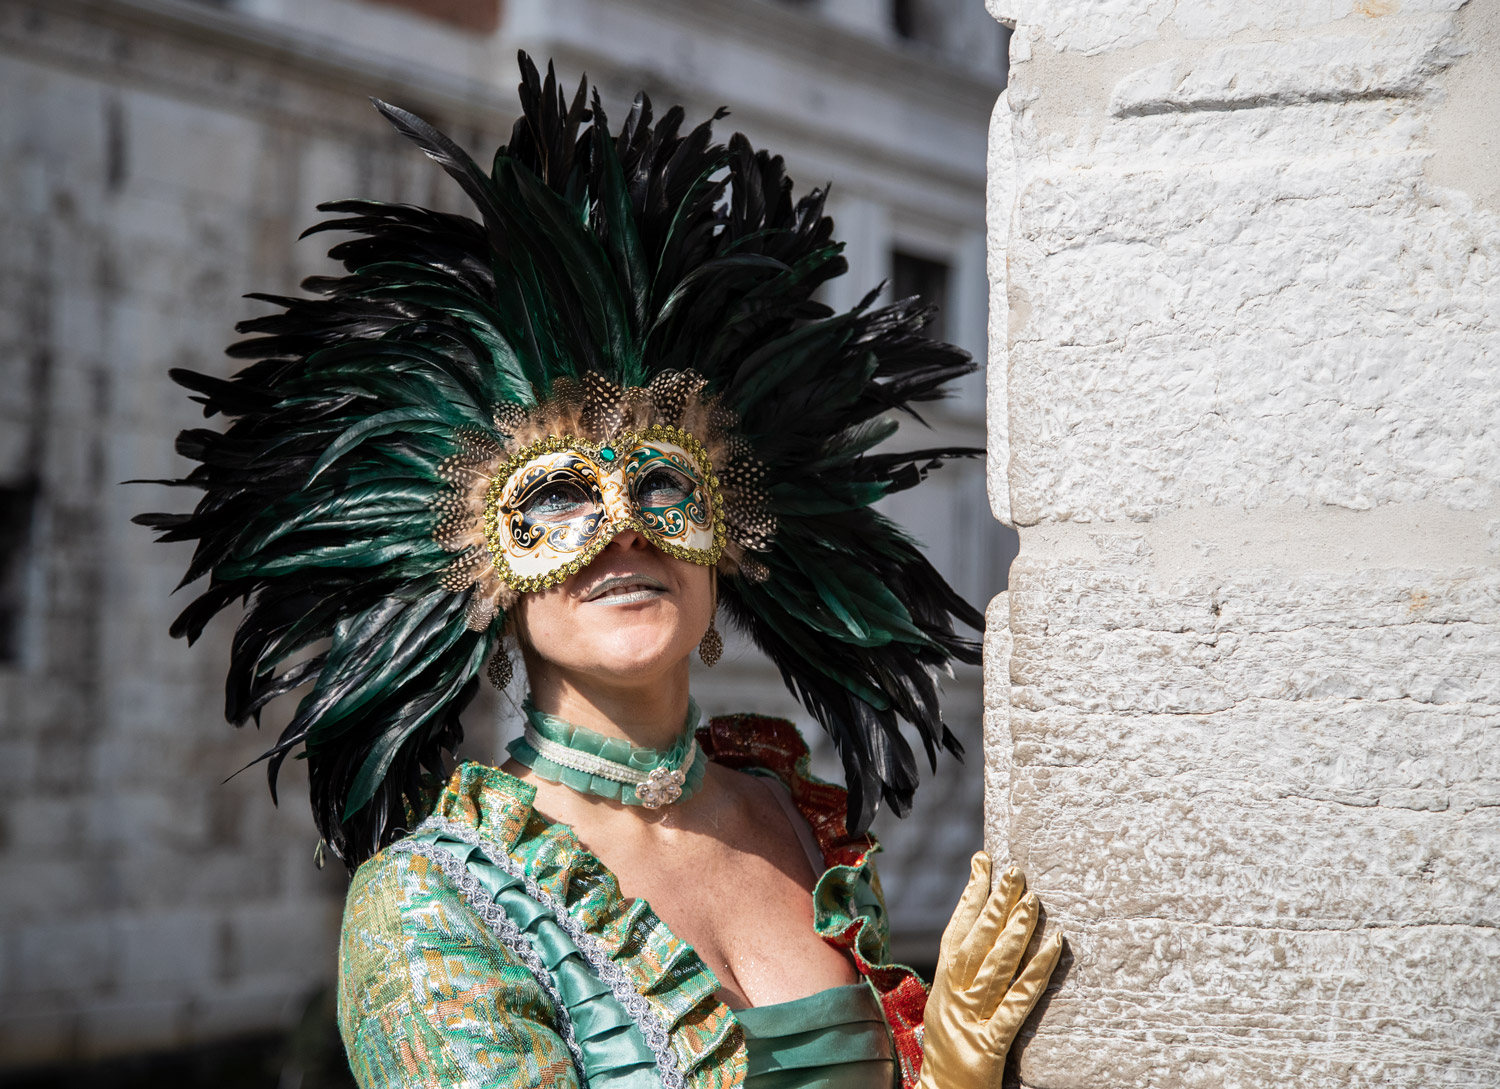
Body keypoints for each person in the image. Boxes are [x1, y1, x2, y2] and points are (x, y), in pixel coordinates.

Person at [139, 55, 1060, 1088]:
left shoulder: (794, 822)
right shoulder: (436, 908)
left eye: (665, 485)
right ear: (483, 575)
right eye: (555, 500)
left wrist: (951, 1070)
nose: (626, 532)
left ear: (730, 544)